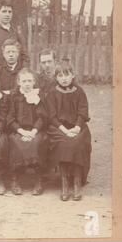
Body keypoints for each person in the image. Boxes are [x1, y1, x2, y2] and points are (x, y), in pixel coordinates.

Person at [45, 62, 92, 201]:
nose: (64, 78)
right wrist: (65, 130)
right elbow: (51, 116)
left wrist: (77, 127)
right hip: (59, 128)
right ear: (56, 78)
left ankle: (77, 181)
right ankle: (64, 181)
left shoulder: (79, 92)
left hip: (78, 127)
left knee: (77, 143)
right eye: (60, 75)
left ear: (73, 75)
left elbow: (82, 112)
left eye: (67, 75)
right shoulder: (52, 93)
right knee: (65, 143)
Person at [7, 68, 48, 196]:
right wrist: (21, 131)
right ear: (19, 82)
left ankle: (38, 179)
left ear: (34, 82)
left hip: (36, 130)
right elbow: (10, 118)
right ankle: (15, 179)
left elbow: (42, 117)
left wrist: (33, 131)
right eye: (24, 81)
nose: (27, 84)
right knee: (16, 142)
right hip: (18, 130)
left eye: (29, 81)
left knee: (37, 142)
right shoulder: (14, 96)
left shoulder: (39, 96)